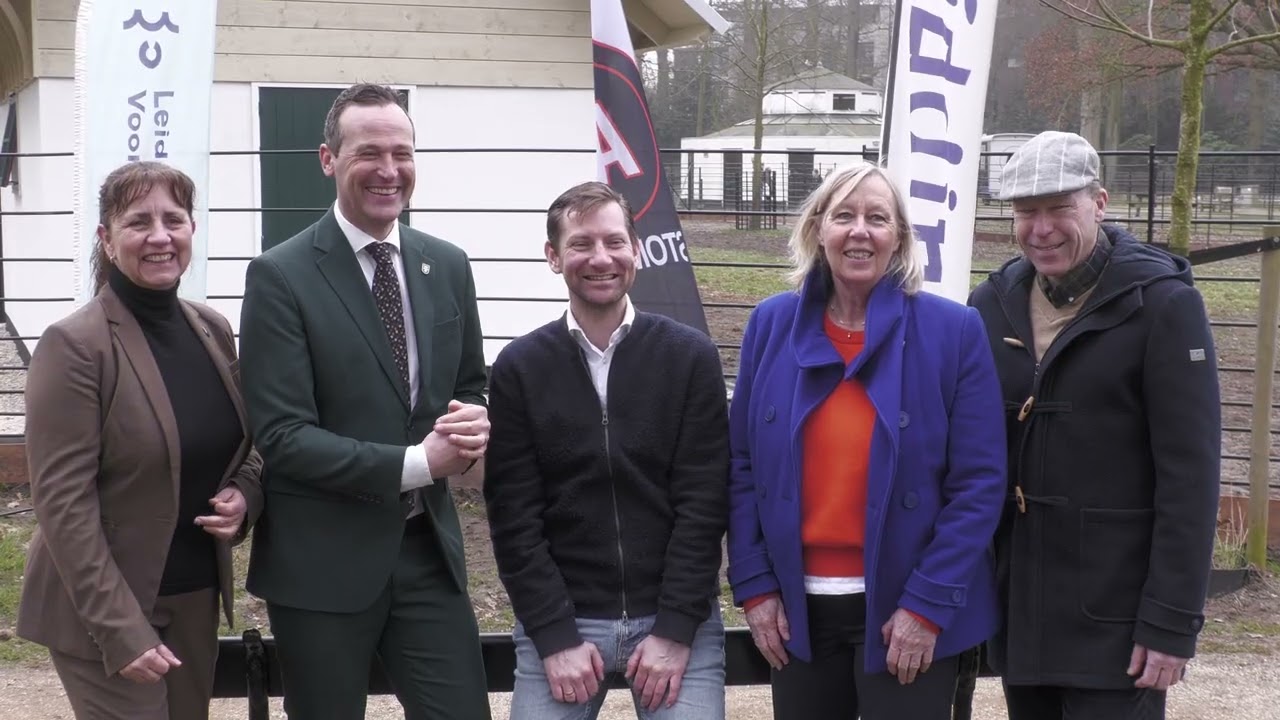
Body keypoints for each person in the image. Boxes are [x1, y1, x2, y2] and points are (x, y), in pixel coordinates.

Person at [238, 83, 491, 720]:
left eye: (402, 153)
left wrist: (472, 419)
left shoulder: (448, 264)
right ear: (328, 159)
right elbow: (284, 437)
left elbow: (468, 383)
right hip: (321, 562)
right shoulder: (280, 276)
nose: (389, 170)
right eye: (368, 153)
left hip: (425, 553)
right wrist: (419, 463)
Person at [726, 162, 1007, 720]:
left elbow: (979, 483)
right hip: (796, 611)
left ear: (899, 237)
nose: (860, 231)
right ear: (816, 231)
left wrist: (926, 607)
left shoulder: (954, 331)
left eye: (878, 218)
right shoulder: (769, 325)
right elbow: (741, 466)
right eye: (844, 217)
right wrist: (755, 589)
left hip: (906, 604)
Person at [969, 131, 1221, 720]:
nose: (1042, 228)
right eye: (1026, 212)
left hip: (1117, 616)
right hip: (1022, 607)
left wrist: (1171, 621)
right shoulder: (991, 303)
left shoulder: (1162, 305)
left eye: (1060, 208)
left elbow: (1191, 476)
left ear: (1100, 203)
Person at [17, 161, 263, 720]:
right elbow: (63, 505)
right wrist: (119, 629)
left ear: (192, 230)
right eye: (138, 222)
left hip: (193, 597)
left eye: (173, 219)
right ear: (106, 239)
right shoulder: (74, 346)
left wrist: (248, 494)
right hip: (105, 609)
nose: (159, 236)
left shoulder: (212, 329)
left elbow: (251, 444)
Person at [484, 181, 730, 719]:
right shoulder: (519, 369)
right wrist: (553, 637)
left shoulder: (690, 358)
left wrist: (675, 629)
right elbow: (513, 517)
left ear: (636, 250)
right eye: (581, 244)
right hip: (566, 621)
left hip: (674, 617)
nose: (601, 258)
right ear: (554, 257)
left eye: (615, 242)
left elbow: (704, 503)